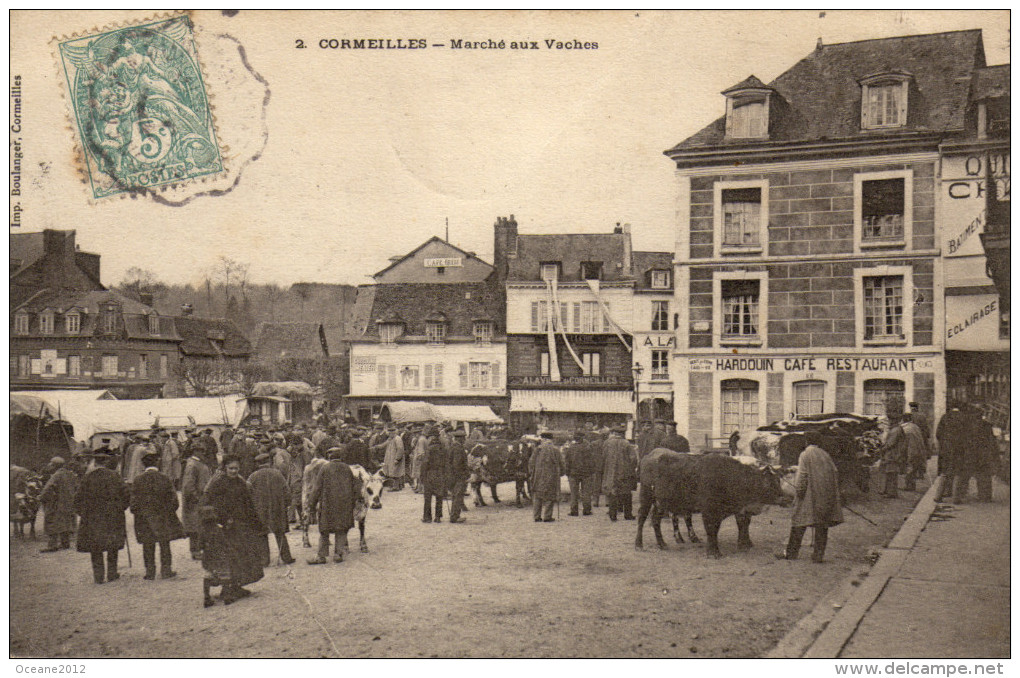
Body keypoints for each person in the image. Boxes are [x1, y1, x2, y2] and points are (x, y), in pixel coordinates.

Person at [200, 454, 265, 605]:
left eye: (236, 468)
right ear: (225, 468)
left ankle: (237, 586)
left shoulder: (241, 483)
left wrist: (257, 523)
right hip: (225, 528)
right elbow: (210, 505)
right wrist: (222, 519)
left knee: (245, 556)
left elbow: (249, 504)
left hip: (242, 525)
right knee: (230, 559)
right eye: (231, 468)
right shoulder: (217, 484)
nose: (234, 471)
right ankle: (227, 589)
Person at [775, 432, 843, 563]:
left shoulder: (805, 453)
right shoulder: (825, 454)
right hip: (825, 495)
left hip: (810, 495)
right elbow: (833, 472)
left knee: (798, 521)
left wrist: (798, 493)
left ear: (807, 441)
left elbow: (803, 476)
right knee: (822, 524)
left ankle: (791, 553)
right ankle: (818, 555)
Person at [74, 449, 129, 585]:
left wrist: (85, 514)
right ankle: (112, 573)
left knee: (95, 547)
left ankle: (98, 576)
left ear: (95, 462)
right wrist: (120, 509)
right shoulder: (114, 476)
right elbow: (126, 495)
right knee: (112, 545)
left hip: (92, 518)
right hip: (112, 516)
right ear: (105, 461)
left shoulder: (87, 478)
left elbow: (77, 499)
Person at [130, 449, 186, 580]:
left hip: (144, 518)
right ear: (157, 463)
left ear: (144, 465)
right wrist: (168, 512)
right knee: (164, 544)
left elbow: (133, 503)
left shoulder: (138, 480)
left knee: (147, 545)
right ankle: (166, 571)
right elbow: (174, 501)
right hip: (163, 518)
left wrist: (139, 513)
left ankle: (150, 572)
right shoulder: (165, 478)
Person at [307, 447, 360, 564]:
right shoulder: (347, 468)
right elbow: (356, 487)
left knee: (324, 531)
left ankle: (321, 556)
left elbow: (317, 488)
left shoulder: (325, 468)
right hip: (344, 506)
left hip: (328, 506)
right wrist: (353, 502)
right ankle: (338, 554)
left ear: (330, 457)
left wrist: (311, 504)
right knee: (341, 530)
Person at [248, 452, 295, 566]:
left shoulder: (253, 476)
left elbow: (247, 493)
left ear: (258, 463)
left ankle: (264, 560)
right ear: (269, 462)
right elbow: (286, 490)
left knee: (262, 535)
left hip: (259, 510)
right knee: (280, 533)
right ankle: (286, 557)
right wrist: (287, 504)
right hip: (277, 509)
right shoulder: (277, 474)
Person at [953, 408, 996, 503]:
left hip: (968, 454)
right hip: (982, 455)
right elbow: (991, 441)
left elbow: (960, 440)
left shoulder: (966, 425)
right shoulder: (987, 425)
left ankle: (958, 496)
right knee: (984, 476)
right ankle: (985, 497)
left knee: (963, 476)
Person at [181, 441, 215, 560]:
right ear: (195, 451)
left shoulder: (198, 463)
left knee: (201, 525)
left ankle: (200, 549)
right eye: (201, 451)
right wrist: (196, 498)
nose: (203, 453)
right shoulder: (192, 465)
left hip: (201, 499)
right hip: (195, 502)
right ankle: (195, 551)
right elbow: (188, 485)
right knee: (194, 527)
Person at [38, 456, 77, 552]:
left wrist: (41, 497)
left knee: (52, 522)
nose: (50, 466)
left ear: (55, 465)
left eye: (51, 464)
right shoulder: (70, 474)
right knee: (65, 522)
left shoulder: (56, 475)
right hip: (68, 503)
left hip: (56, 503)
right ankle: (65, 543)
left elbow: (48, 488)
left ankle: (52, 545)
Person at [602, 426, 638, 520]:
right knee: (626, 493)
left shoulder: (607, 443)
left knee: (612, 492)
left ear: (614, 433)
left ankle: (613, 514)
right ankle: (628, 514)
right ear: (623, 434)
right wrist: (632, 468)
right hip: (624, 472)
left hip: (611, 472)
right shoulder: (627, 444)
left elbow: (603, 457)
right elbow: (633, 459)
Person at [935, 402, 968, 502]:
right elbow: (968, 436)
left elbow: (938, 434)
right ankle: (956, 498)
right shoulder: (964, 418)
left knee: (945, 472)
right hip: (959, 450)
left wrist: (943, 444)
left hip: (946, 450)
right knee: (958, 473)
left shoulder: (945, 417)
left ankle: (938, 496)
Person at [530, 431, 562, 522]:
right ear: (551, 439)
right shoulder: (555, 449)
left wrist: (532, 472)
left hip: (538, 476)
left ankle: (537, 516)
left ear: (543, 439)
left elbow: (531, 462)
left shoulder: (537, 449)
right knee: (550, 495)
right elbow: (561, 462)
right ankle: (547, 516)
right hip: (551, 475)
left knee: (537, 495)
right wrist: (562, 472)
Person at [564, 430, 596, 516]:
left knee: (574, 493)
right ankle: (587, 510)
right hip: (586, 473)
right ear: (582, 438)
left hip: (573, 473)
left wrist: (567, 472)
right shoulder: (588, 448)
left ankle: (574, 511)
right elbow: (592, 461)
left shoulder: (571, 448)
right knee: (586, 492)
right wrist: (592, 471)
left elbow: (567, 462)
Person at [420, 426, 448, 523]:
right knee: (439, 496)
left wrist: (422, 476)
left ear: (432, 437)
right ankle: (438, 517)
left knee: (428, 497)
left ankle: (427, 517)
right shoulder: (443, 449)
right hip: (440, 474)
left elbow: (425, 463)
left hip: (430, 474)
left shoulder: (429, 449)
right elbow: (446, 463)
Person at [877, 412, 907, 498]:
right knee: (890, 473)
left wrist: (882, 449)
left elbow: (890, 443)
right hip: (893, 454)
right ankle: (888, 491)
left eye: (889, 420)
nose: (888, 422)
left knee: (891, 474)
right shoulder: (897, 429)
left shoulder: (895, 430)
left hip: (892, 455)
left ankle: (891, 493)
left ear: (893, 421)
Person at [900, 414, 929, 493]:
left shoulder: (904, 428)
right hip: (918, 450)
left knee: (909, 467)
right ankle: (912, 485)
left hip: (909, 450)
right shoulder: (915, 427)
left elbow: (903, 442)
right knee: (913, 468)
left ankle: (908, 485)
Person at [447, 429, 469, 523]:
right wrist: (463, 475)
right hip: (458, 477)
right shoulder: (458, 449)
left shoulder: (453, 447)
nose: (464, 439)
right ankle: (455, 517)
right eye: (463, 438)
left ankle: (455, 515)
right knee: (458, 496)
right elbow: (457, 464)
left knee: (455, 496)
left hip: (453, 476)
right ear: (459, 438)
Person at [380, 426, 406, 491]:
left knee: (395, 473)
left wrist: (397, 458)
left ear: (394, 432)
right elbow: (384, 445)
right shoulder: (390, 439)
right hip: (391, 458)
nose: (389, 433)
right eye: (389, 432)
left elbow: (400, 449)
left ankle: (396, 487)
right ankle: (398, 486)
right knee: (393, 472)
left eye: (391, 432)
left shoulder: (397, 439)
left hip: (395, 458)